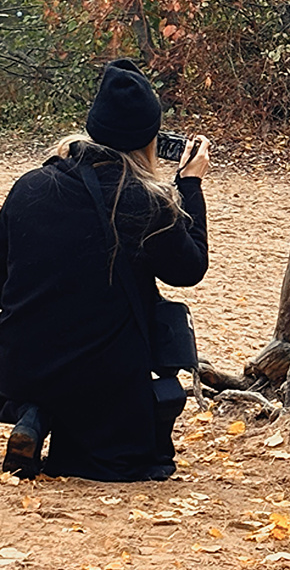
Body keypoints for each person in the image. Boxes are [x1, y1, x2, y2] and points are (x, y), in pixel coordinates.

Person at [0, 59, 211, 481]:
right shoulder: (144, 203)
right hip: (101, 375)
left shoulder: (30, 186)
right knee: (125, 462)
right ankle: (63, 419)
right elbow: (189, 268)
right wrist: (189, 185)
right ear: (149, 140)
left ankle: (33, 408)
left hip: (19, 365)